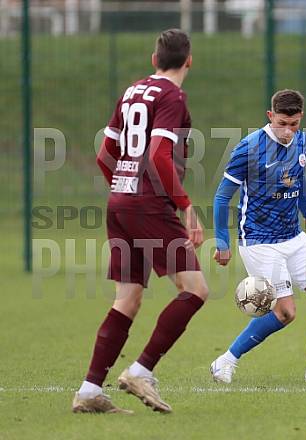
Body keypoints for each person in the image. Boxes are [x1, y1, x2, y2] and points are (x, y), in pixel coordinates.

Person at [72, 29, 208, 414]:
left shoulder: (132, 91)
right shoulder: (172, 96)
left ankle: (89, 391)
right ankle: (140, 371)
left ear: (154, 59)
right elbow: (159, 154)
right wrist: (185, 205)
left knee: (128, 299)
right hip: (149, 204)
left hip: (120, 201)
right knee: (195, 290)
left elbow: (105, 154)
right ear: (189, 61)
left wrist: (123, 188)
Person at [210, 89, 306, 385]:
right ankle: (225, 360)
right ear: (270, 116)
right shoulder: (249, 148)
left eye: (294, 124)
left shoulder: (304, 141)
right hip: (259, 240)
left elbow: (298, 181)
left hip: (293, 236)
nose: (288, 131)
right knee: (285, 312)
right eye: (282, 124)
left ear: (301, 119)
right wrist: (222, 243)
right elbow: (222, 197)